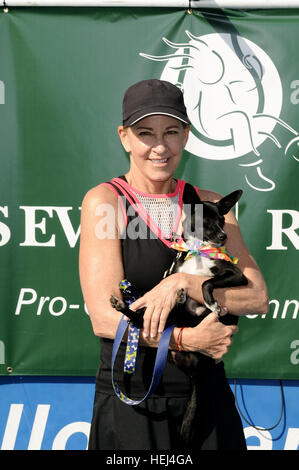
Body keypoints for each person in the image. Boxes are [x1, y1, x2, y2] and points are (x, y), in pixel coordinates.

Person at [79, 79, 268, 451]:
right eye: (145, 133)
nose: (159, 147)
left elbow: (257, 297)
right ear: (124, 137)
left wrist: (183, 282)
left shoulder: (210, 204)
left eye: (171, 132)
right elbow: (104, 318)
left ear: (186, 135)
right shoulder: (106, 202)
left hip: (204, 399)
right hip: (135, 401)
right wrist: (186, 339)